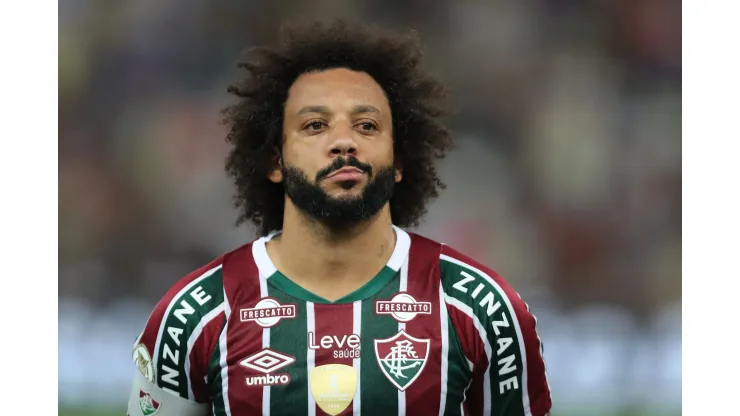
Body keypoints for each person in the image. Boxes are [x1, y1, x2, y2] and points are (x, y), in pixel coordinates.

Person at [127, 19, 552, 416]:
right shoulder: (193, 316)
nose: (344, 142)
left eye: (367, 126)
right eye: (315, 126)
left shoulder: (481, 308)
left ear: (399, 160)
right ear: (274, 160)